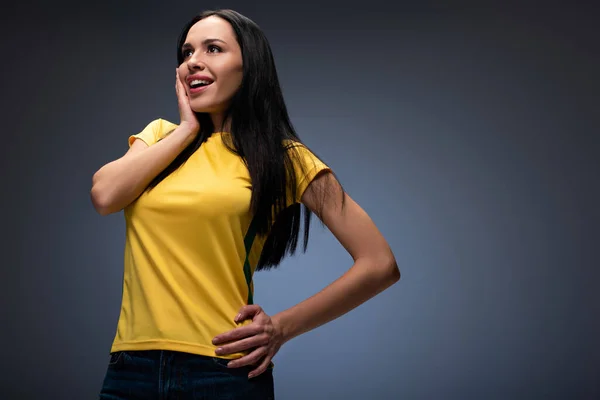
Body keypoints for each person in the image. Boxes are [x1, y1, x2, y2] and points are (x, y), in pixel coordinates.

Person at [91, 8, 400, 399]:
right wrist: (187, 130)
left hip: (222, 369)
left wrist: (283, 327)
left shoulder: (284, 157)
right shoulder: (160, 136)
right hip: (130, 370)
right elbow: (104, 196)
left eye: (213, 48)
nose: (193, 62)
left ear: (249, 66)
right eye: (186, 53)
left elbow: (379, 263)